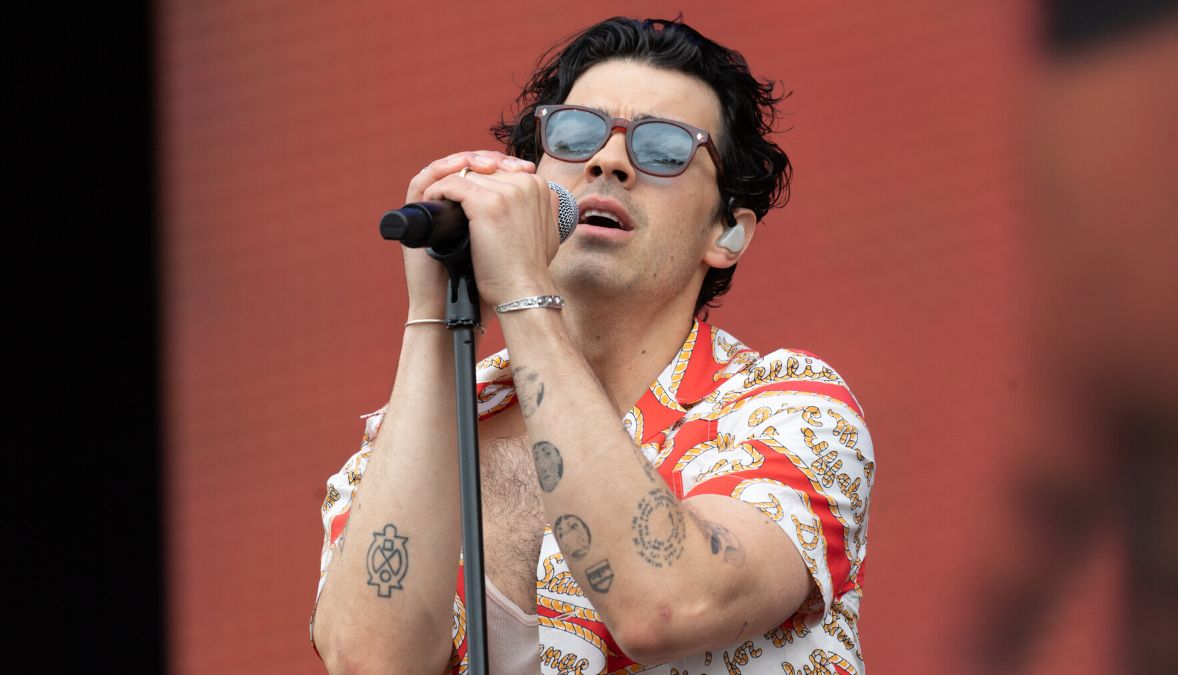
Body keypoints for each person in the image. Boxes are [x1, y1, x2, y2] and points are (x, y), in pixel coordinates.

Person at [310, 17, 875, 675]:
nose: (608, 161)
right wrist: (433, 317)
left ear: (728, 232)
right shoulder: (416, 437)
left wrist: (522, 289)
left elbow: (666, 605)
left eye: (663, 148)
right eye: (577, 135)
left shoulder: (793, 408)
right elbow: (368, 661)